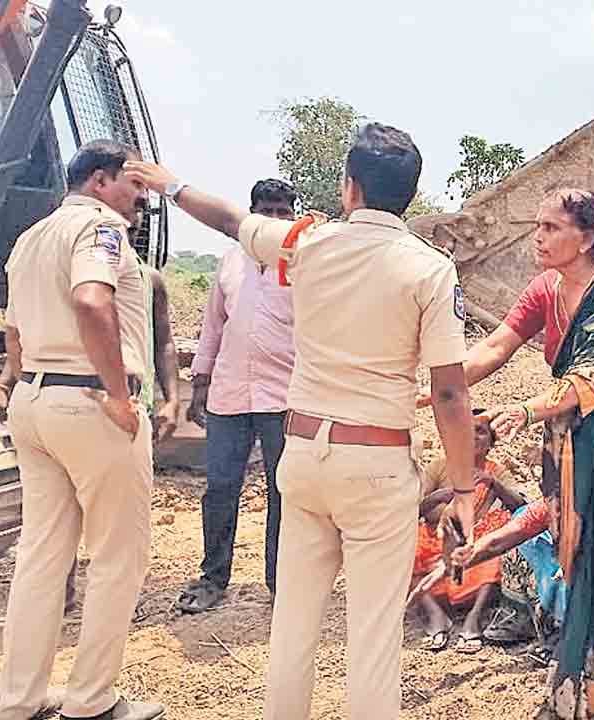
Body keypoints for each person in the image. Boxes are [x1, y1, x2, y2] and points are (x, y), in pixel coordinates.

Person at [124, 121, 478, 720]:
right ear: (411, 197)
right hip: (378, 463)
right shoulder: (430, 270)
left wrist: (170, 183)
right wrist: (465, 488)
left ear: (349, 187)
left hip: (305, 456)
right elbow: (448, 390)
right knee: (372, 638)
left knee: (292, 625)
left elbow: (230, 220)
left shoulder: (306, 245)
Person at [421, 188, 594, 719]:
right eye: (537, 226)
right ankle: (587, 686)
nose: (537, 237)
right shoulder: (546, 288)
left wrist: (524, 411)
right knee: (583, 549)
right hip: (577, 436)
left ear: (587, 237)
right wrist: (439, 386)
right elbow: (495, 347)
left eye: (550, 227)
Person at [0, 140, 163, 720]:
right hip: (90, 402)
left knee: (42, 555)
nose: (140, 197)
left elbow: (12, 334)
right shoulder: (100, 229)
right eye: (131, 184)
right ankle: (92, 700)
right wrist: (119, 395)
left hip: (35, 398)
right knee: (119, 556)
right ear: (98, 181)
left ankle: (20, 701)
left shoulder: (31, 238)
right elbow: (92, 302)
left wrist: (8, 387)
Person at [0, 215, 182, 619]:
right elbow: (26, 339)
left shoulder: (148, 282)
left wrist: (170, 398)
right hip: (90, 399)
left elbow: (164, 342)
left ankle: (106, 603)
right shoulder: (76, 278)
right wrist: (5, 386)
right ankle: (65, 594)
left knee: (107, 518)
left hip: (122, 403)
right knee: (63, 514)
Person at [176, 178, 297, 614]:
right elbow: (212, 328)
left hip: (286, 397)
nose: (277, 220)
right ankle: (213, 578)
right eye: (268, 211)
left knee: (285, 490)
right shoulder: (230, 262)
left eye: (285, 212)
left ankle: (280, 582)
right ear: (251, 215)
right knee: (221, 487)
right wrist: (199, 384)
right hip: (229, 395)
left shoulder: (302, 264)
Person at [413, 415, 526, 653]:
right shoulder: (439, 466)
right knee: (404, 543)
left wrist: (493, 483)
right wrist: (440, 496)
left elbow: (521, 508)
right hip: (437, 544)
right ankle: (436, 616)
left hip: (474, 548)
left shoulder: (496, 471)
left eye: (481, 432)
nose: (473, 437)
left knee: (500, 533)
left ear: (490, 442)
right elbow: (412, 509)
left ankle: (473, 620)